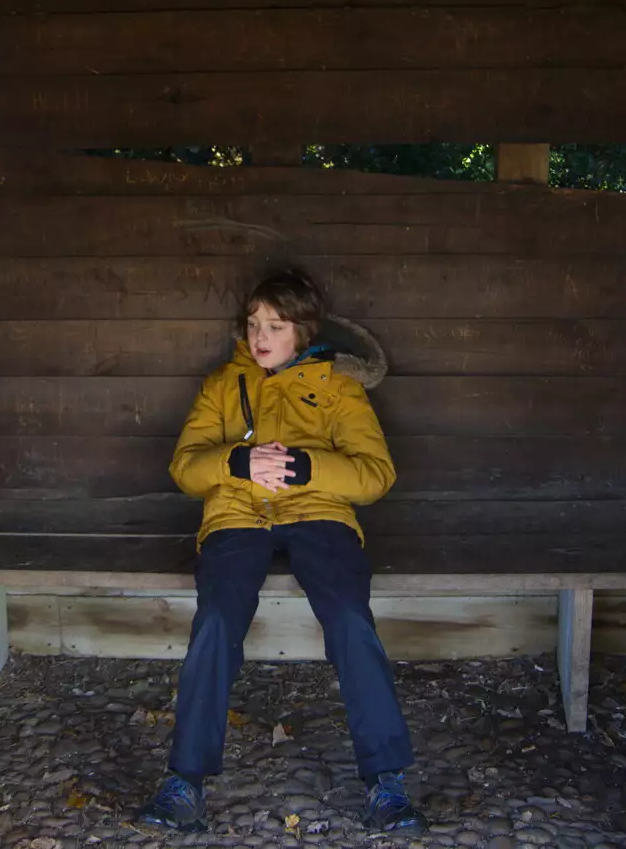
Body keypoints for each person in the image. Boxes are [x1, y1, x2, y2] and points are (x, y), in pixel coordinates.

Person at [135, 269, 424, 835]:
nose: (260, 337)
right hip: (238, 516)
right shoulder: (222, 384)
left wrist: (310, 468)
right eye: (253, 324)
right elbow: (184, 468)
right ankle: (183, 782)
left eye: (275, 325)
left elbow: (376, 475)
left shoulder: (338, 386)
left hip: (318, 515)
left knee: (348, 618)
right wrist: (237, 464)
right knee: (216, 620)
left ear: (303, 331)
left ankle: (386, 781)